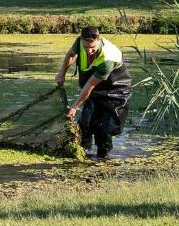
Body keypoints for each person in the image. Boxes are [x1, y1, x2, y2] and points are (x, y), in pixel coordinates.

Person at [55, 26, 132, 159]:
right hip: (96, 89)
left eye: (93, 48)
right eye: (86, 47)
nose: (89, 51)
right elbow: (71, 54)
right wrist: (62, 73)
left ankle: (103, 159)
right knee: (86, 124)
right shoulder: (79, 42)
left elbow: (90, 85)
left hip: (116, 91)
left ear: (99, 40)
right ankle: (83, 155)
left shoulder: (108, 58)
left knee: (106, 130)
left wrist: (74, 106)